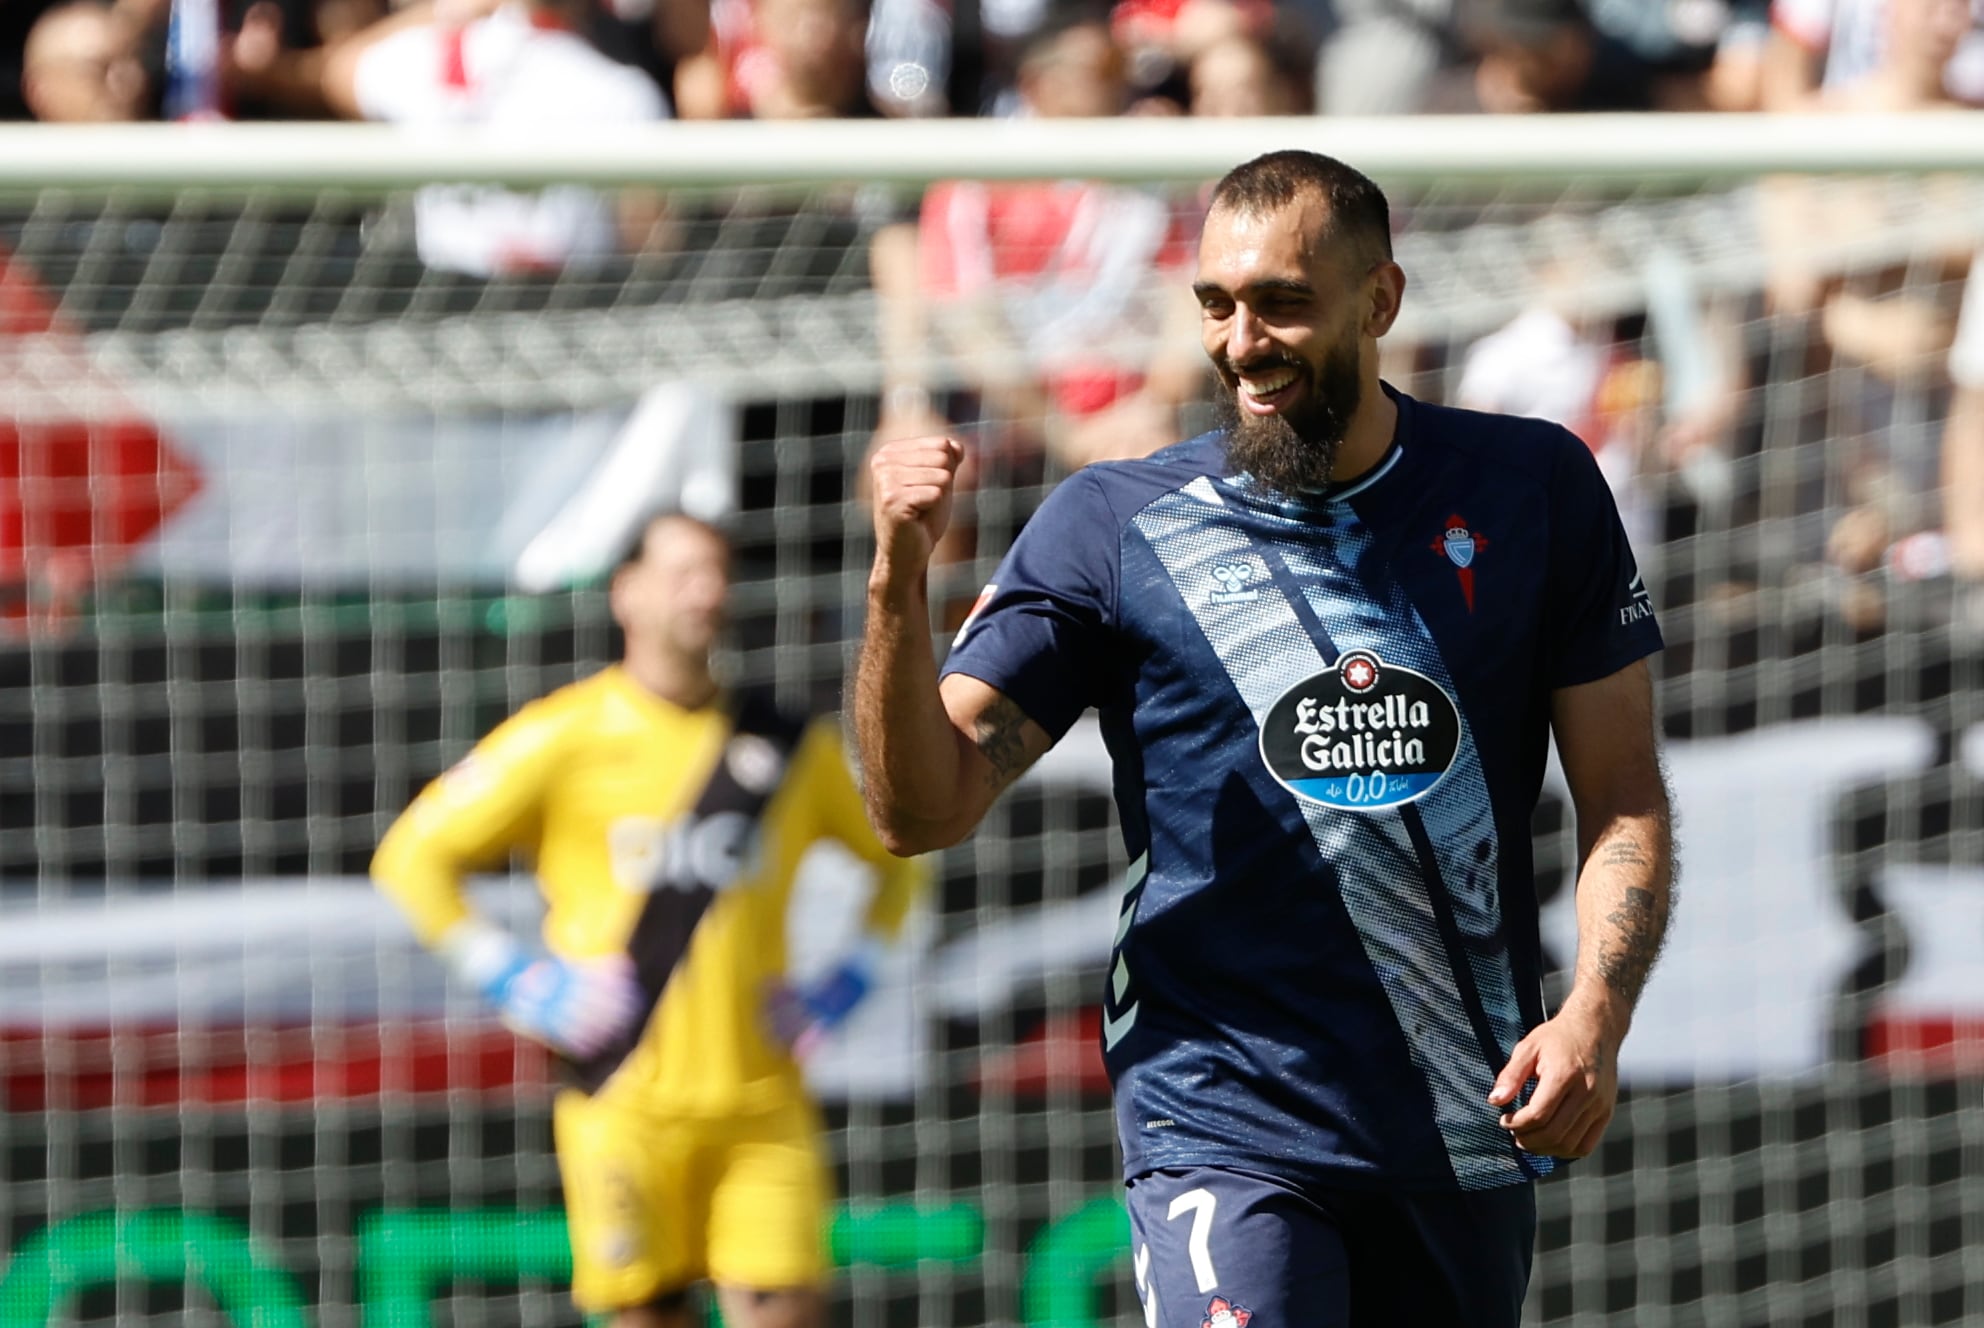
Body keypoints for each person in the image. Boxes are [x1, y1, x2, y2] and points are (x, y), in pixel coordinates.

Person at [855, 150, 1674, 1325]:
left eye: (1283, 302)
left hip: (1460, 1109)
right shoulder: (1111, 522)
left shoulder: (1530, 488)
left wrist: (1596, 1011)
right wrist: (897, 583)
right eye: (1216, 305)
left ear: (1380, 301)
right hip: (1216, 1110)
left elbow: (1623, 792)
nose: (1244, 341)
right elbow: (918, 809)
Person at [372, 511, 926, 1328]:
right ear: (625, 593)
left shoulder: (784, 744)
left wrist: (851, 978)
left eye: (716, 572)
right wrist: (510, 973)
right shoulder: (565, 735)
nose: (706, 591)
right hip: (622, 1105)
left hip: (760, 1106)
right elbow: (411, 858)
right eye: (682, 572)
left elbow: (902, 860)